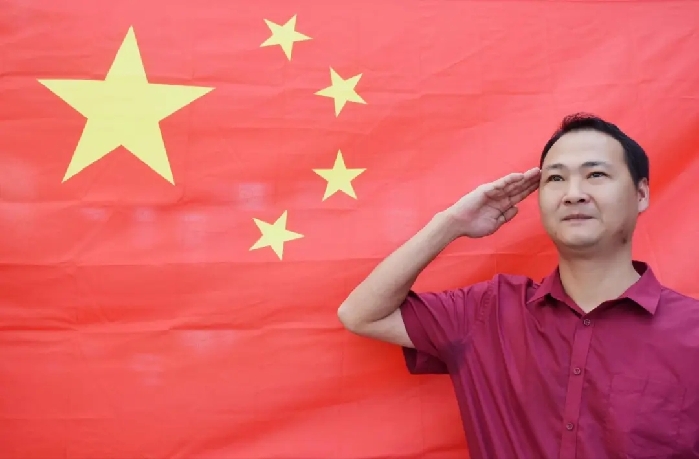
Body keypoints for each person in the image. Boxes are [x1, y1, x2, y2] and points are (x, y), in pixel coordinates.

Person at [337, 113, 699, 459]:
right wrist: (452, 223)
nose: (573, 193)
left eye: (596, 174)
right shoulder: (488, 312)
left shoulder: (692, 331)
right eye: (555, 179)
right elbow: (361, 314)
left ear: (641, 194)